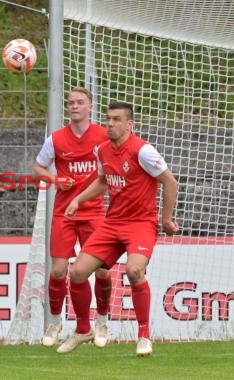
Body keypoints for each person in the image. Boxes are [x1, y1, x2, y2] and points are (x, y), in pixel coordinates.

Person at [57, 101, 179, 356]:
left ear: (129, 124)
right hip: (112, 223)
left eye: (116, 120)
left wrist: (166, 219)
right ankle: (83, 329)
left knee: (134, 271)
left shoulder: (142, 151)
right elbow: (103, 180)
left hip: (141, 223)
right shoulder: (102, 150)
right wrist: (78, 199)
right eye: (108, 119)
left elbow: (170, 181)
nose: (110, 124)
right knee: (77, 272)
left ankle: (144, 335)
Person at [34, 87, 112, 348]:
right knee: (58, 271)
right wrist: (55, 180)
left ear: (90, 107)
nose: (74, 106)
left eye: (80, 102)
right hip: (64, 212)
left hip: (93, 212)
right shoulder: (56, 139)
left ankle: (101, 320)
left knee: (101, 270)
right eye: (71, 103)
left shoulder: (103, 136)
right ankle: (55, 322)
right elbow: (38, 167)